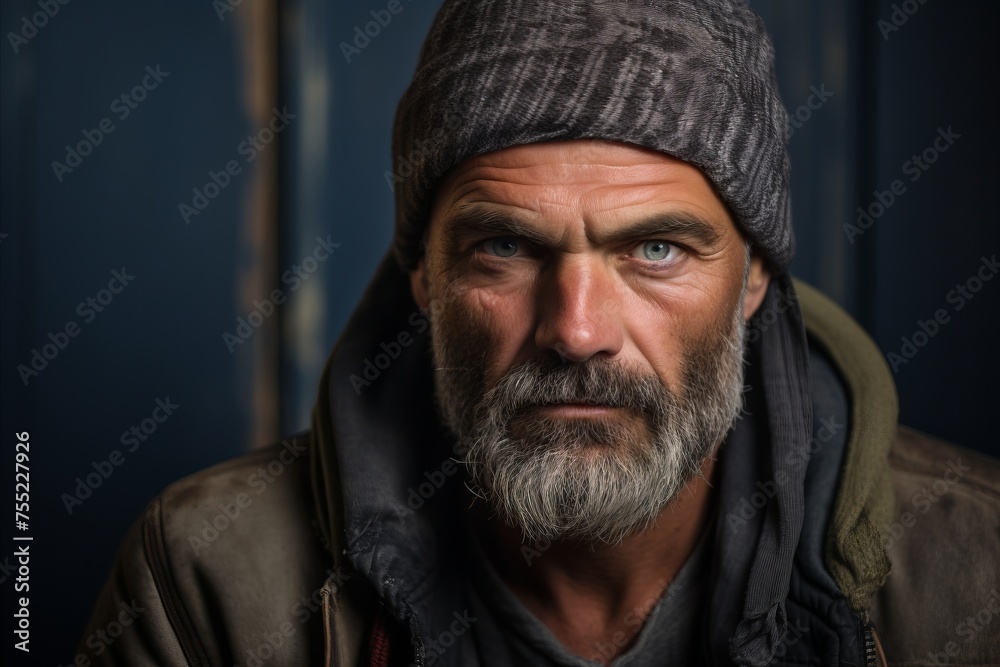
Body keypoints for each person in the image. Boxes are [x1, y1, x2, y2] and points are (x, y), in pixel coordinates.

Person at [77, 1, 1000, 665]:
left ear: (754, 275)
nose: (578, 330)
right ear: (426, 280)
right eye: (507, 247)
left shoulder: (974, 571)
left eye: (657, 249)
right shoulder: (208, 581)